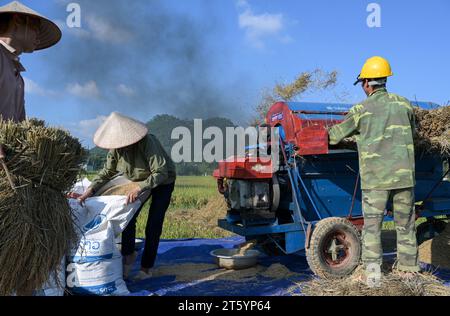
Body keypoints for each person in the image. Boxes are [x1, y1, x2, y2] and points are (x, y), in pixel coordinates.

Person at [328, 56, 420, 281]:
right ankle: (409, 272)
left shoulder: (360, 109)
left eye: (362, 83)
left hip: (376, 179)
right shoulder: (405, 103)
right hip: (404, 177)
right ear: (385, 80)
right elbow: (414, 131)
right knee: (406, 225)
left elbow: (334, 137)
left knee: (372, 227)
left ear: (368, 82)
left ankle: (373, 274)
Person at [78, 112, 177, 281]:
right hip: (138, 181)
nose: (119, 146)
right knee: (128, 217)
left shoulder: (148, 142)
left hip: (163, 181)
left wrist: (140, 188)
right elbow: (107, 171)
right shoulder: (115, 150)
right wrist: (90, 191)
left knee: (153, 224)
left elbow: (160, 172)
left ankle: (146, 268)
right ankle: (128, 255)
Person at [0, 1, 61, 159]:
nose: (38, 38)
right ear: (18, 20)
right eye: (36, 28)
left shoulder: (18, 77)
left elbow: (19, 126)